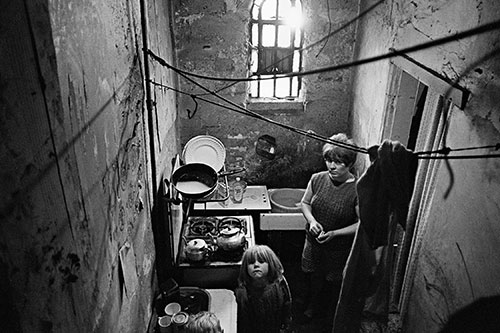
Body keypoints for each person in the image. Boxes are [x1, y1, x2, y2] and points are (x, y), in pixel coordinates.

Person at [300, 133, 360, 324]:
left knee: (333, 282)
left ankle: (331, 315)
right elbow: (305, 203)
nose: (331, 166)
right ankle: (313, 305)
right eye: (328, 160)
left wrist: (335, 234)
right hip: (314, 242)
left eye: (337, 162)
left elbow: (362, 223)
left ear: (349, 164)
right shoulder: (317, 179)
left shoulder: (357, 189)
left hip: (338, 249)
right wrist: (312, 221)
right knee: (313, 277)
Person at [235, 244, 292, 333]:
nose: (256, 265)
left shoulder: (279, 284)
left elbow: (287, 305)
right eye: (251, 262)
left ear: (270, 264)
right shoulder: (243, 293)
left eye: (261, 261)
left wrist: (286, 325)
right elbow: (243, 322)